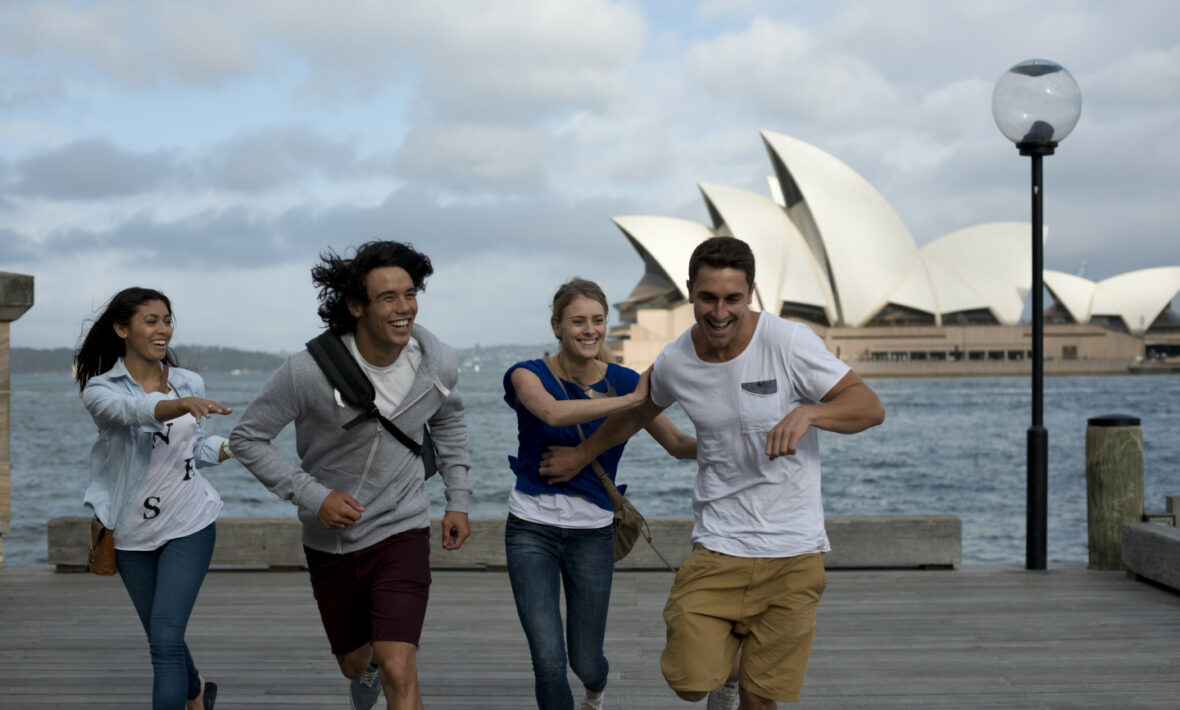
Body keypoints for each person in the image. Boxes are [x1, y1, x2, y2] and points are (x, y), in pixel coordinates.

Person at [540, 237, 886, 709]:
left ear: (751, 294)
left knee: (760, 698)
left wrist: (809, 414)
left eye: (732, 299)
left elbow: (868, 406)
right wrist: (581, 456)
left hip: (794, 550)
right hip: (719, 545)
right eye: (708, 298)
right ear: (689, 291)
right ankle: (739, 659)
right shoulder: (677, 360)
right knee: (690, 682)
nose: (720, 312)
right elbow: (639, 413)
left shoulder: (788, 342)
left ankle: (749, 670)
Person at [229, 240, 472, 710]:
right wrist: (313, 495)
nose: (404, 309)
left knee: (401, 666)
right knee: (357, 662)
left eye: (409, 294)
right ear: (356, 305)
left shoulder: (437, 363)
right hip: (331, 540)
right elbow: (247, 438)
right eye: (388, 297)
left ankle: (390, 664)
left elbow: (448, 421)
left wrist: (456, 497)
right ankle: (371, 668)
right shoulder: (306, 372)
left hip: (402, 526)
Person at [504, 278, 696, 710]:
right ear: (557, 326)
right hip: (529, 529)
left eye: (598, 320)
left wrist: (746, 439)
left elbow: (680, 446)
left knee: (585, 660)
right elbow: (552, 413)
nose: (589, 330)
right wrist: (631, 401)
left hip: (592, 532)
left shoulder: (626, 380)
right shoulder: (526, 374)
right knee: (548, 660)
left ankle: (596, 690)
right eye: (577, 321)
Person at [75, 287, 230, 710]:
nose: (163, 329)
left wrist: (231, 448)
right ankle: (195, 689)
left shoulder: (189, 383)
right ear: (122, 328)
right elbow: (134, 414)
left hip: (189, 523)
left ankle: (189, 694)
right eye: (151, 320)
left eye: (167, 320)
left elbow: (189, 449)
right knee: (164, 635)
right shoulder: (100, 391)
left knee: (163, 640)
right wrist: (178, 403)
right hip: (129, 533)